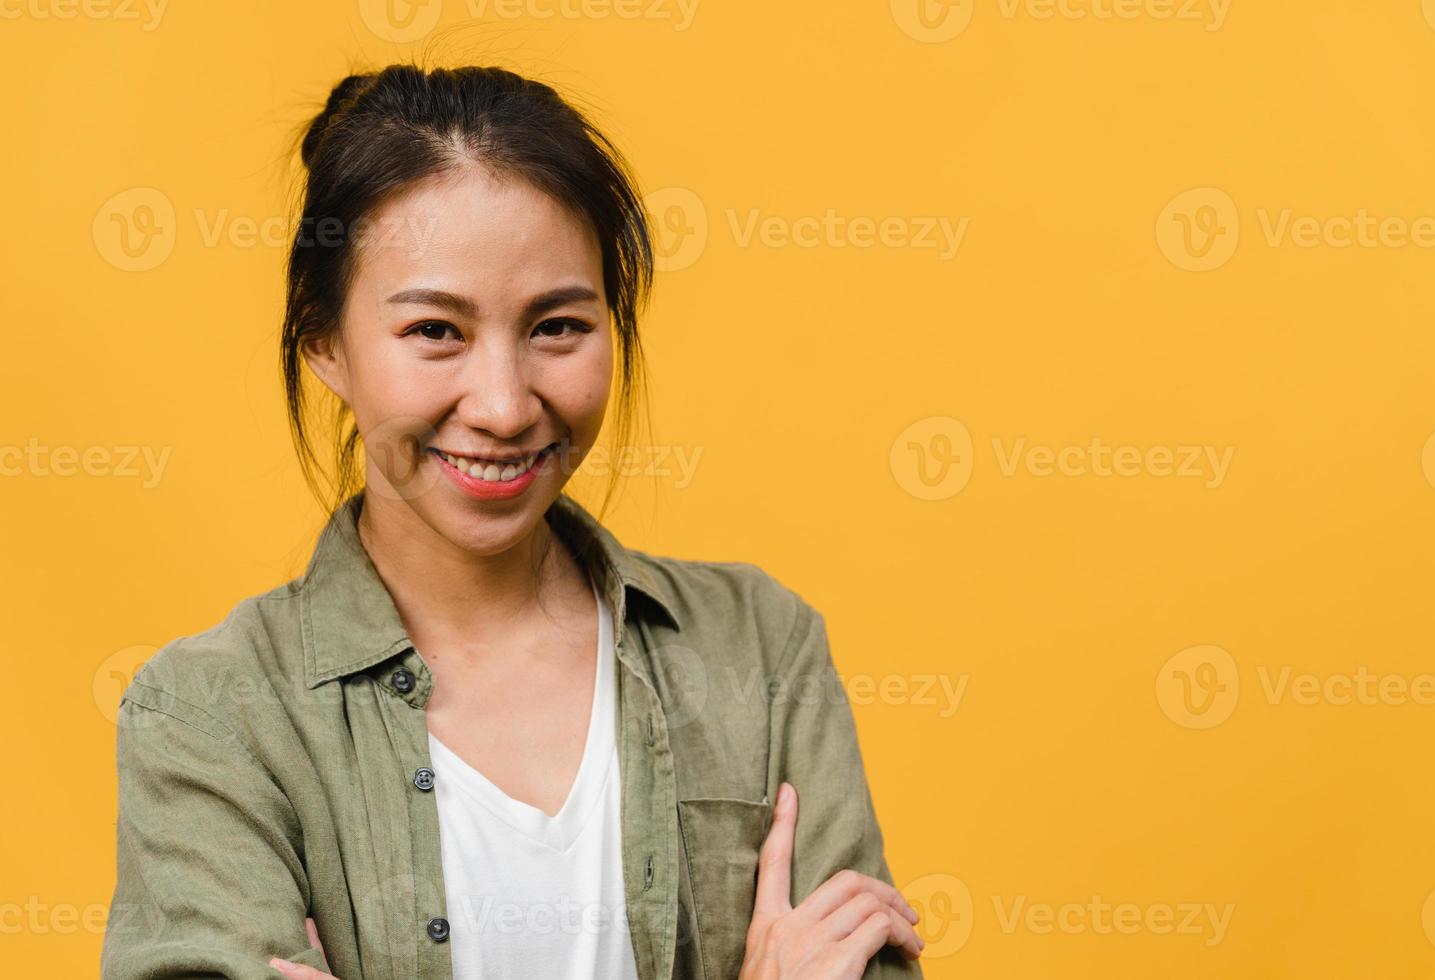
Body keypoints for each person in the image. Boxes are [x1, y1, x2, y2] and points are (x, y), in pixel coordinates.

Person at [99, 62, 924, 980]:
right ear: (325, 344)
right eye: (435, 332)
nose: (501, 405)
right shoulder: (211, 717)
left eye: (557, 326)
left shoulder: (759, 649)